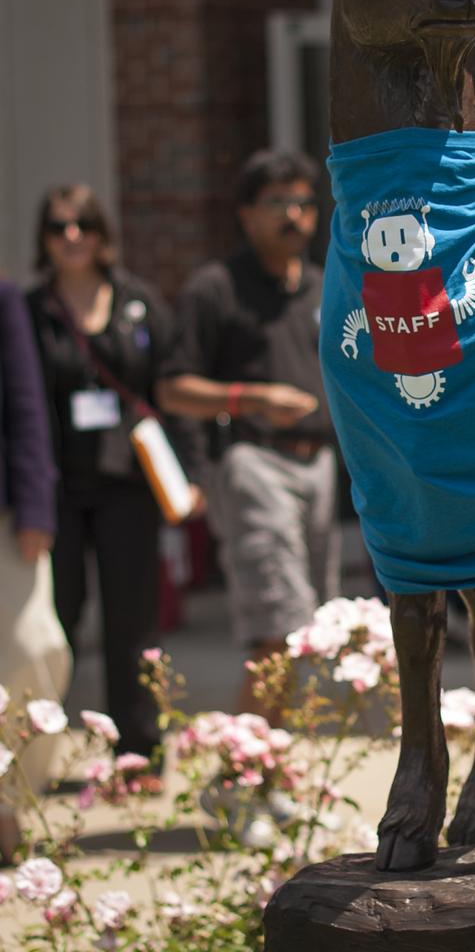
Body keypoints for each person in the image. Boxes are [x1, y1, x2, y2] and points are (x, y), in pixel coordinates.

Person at [156, 150, 338, 716]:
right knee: (276, 630)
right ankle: (245, 777)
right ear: (245, 214)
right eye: (278, 202)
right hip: (253, 464)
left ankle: (271, 769)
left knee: (308, 630)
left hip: (321, 467)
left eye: (305, 203)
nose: (295, 215)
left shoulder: (323, 285)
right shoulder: (215, 288)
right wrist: (249, 397)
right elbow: (171, 388)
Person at [27, 184, 183, 779]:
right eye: (59, 227)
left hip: (127, 486)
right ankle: (39, 755)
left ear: (102, 235)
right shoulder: (30, 310)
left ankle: (138, 754)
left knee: (133, 623)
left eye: (83, 226)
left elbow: (167, 388)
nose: (72, 237)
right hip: (58, 489)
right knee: (54, 624)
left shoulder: (137, 301)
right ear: (44, 238)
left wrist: (185, 473)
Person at [0, 278, 71, 864]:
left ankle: (16, 795)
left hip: (7, 517)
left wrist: (35, 506)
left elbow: (26, 406)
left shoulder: (4, 296)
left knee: (33, 650)